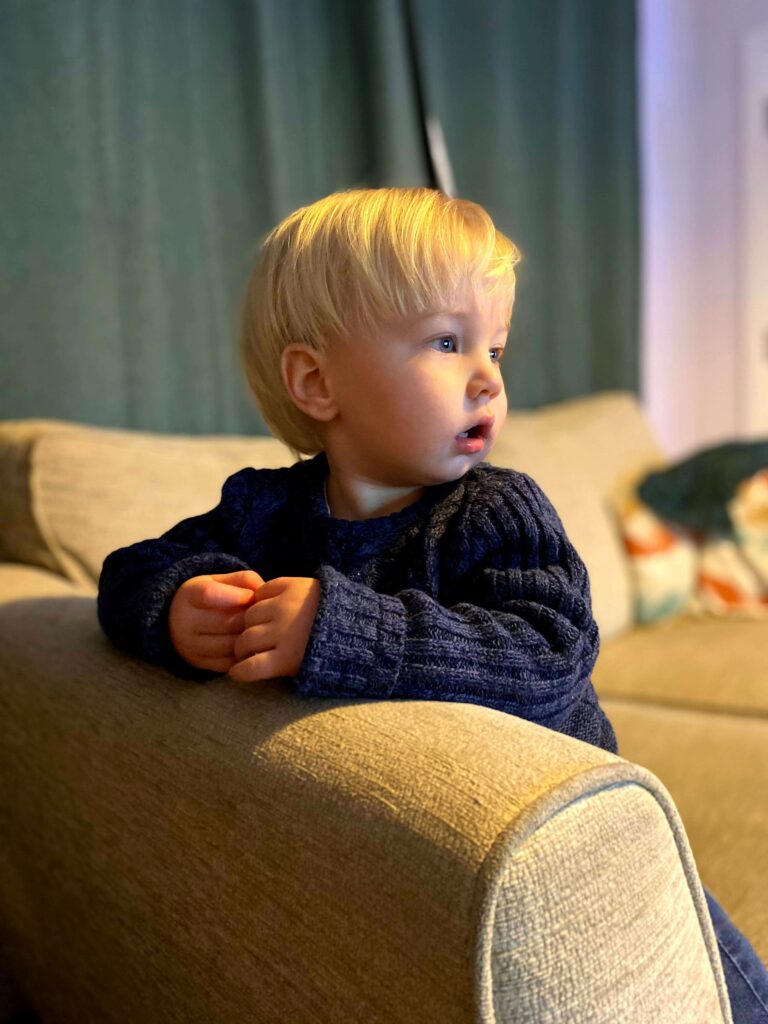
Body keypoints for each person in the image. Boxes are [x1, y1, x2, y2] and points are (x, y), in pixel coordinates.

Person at [97, 186, 767, 1020]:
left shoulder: (495, 508)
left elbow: (552, 654)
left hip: (576, 842)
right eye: (448, 342)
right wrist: (174, 602)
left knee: (716, 981)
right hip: (421, 860)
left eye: (497, 349)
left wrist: (342, 630)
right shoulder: (264, 513)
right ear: (315, 381)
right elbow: (130, 568)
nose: (488, 378)